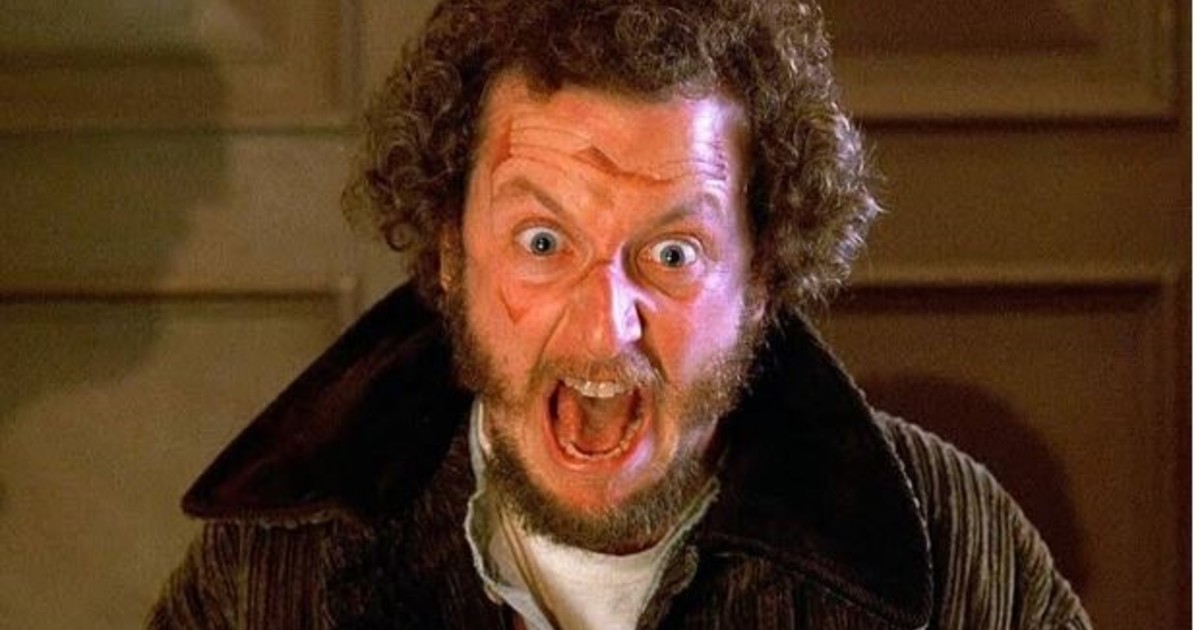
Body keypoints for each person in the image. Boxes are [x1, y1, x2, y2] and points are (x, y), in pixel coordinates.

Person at [149, 0, 1092, 628]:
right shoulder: (275, 570)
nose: (605, 331)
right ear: (449, 252)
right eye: (543, 243)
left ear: (762, 278)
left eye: (672, 256)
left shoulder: (950, 545)